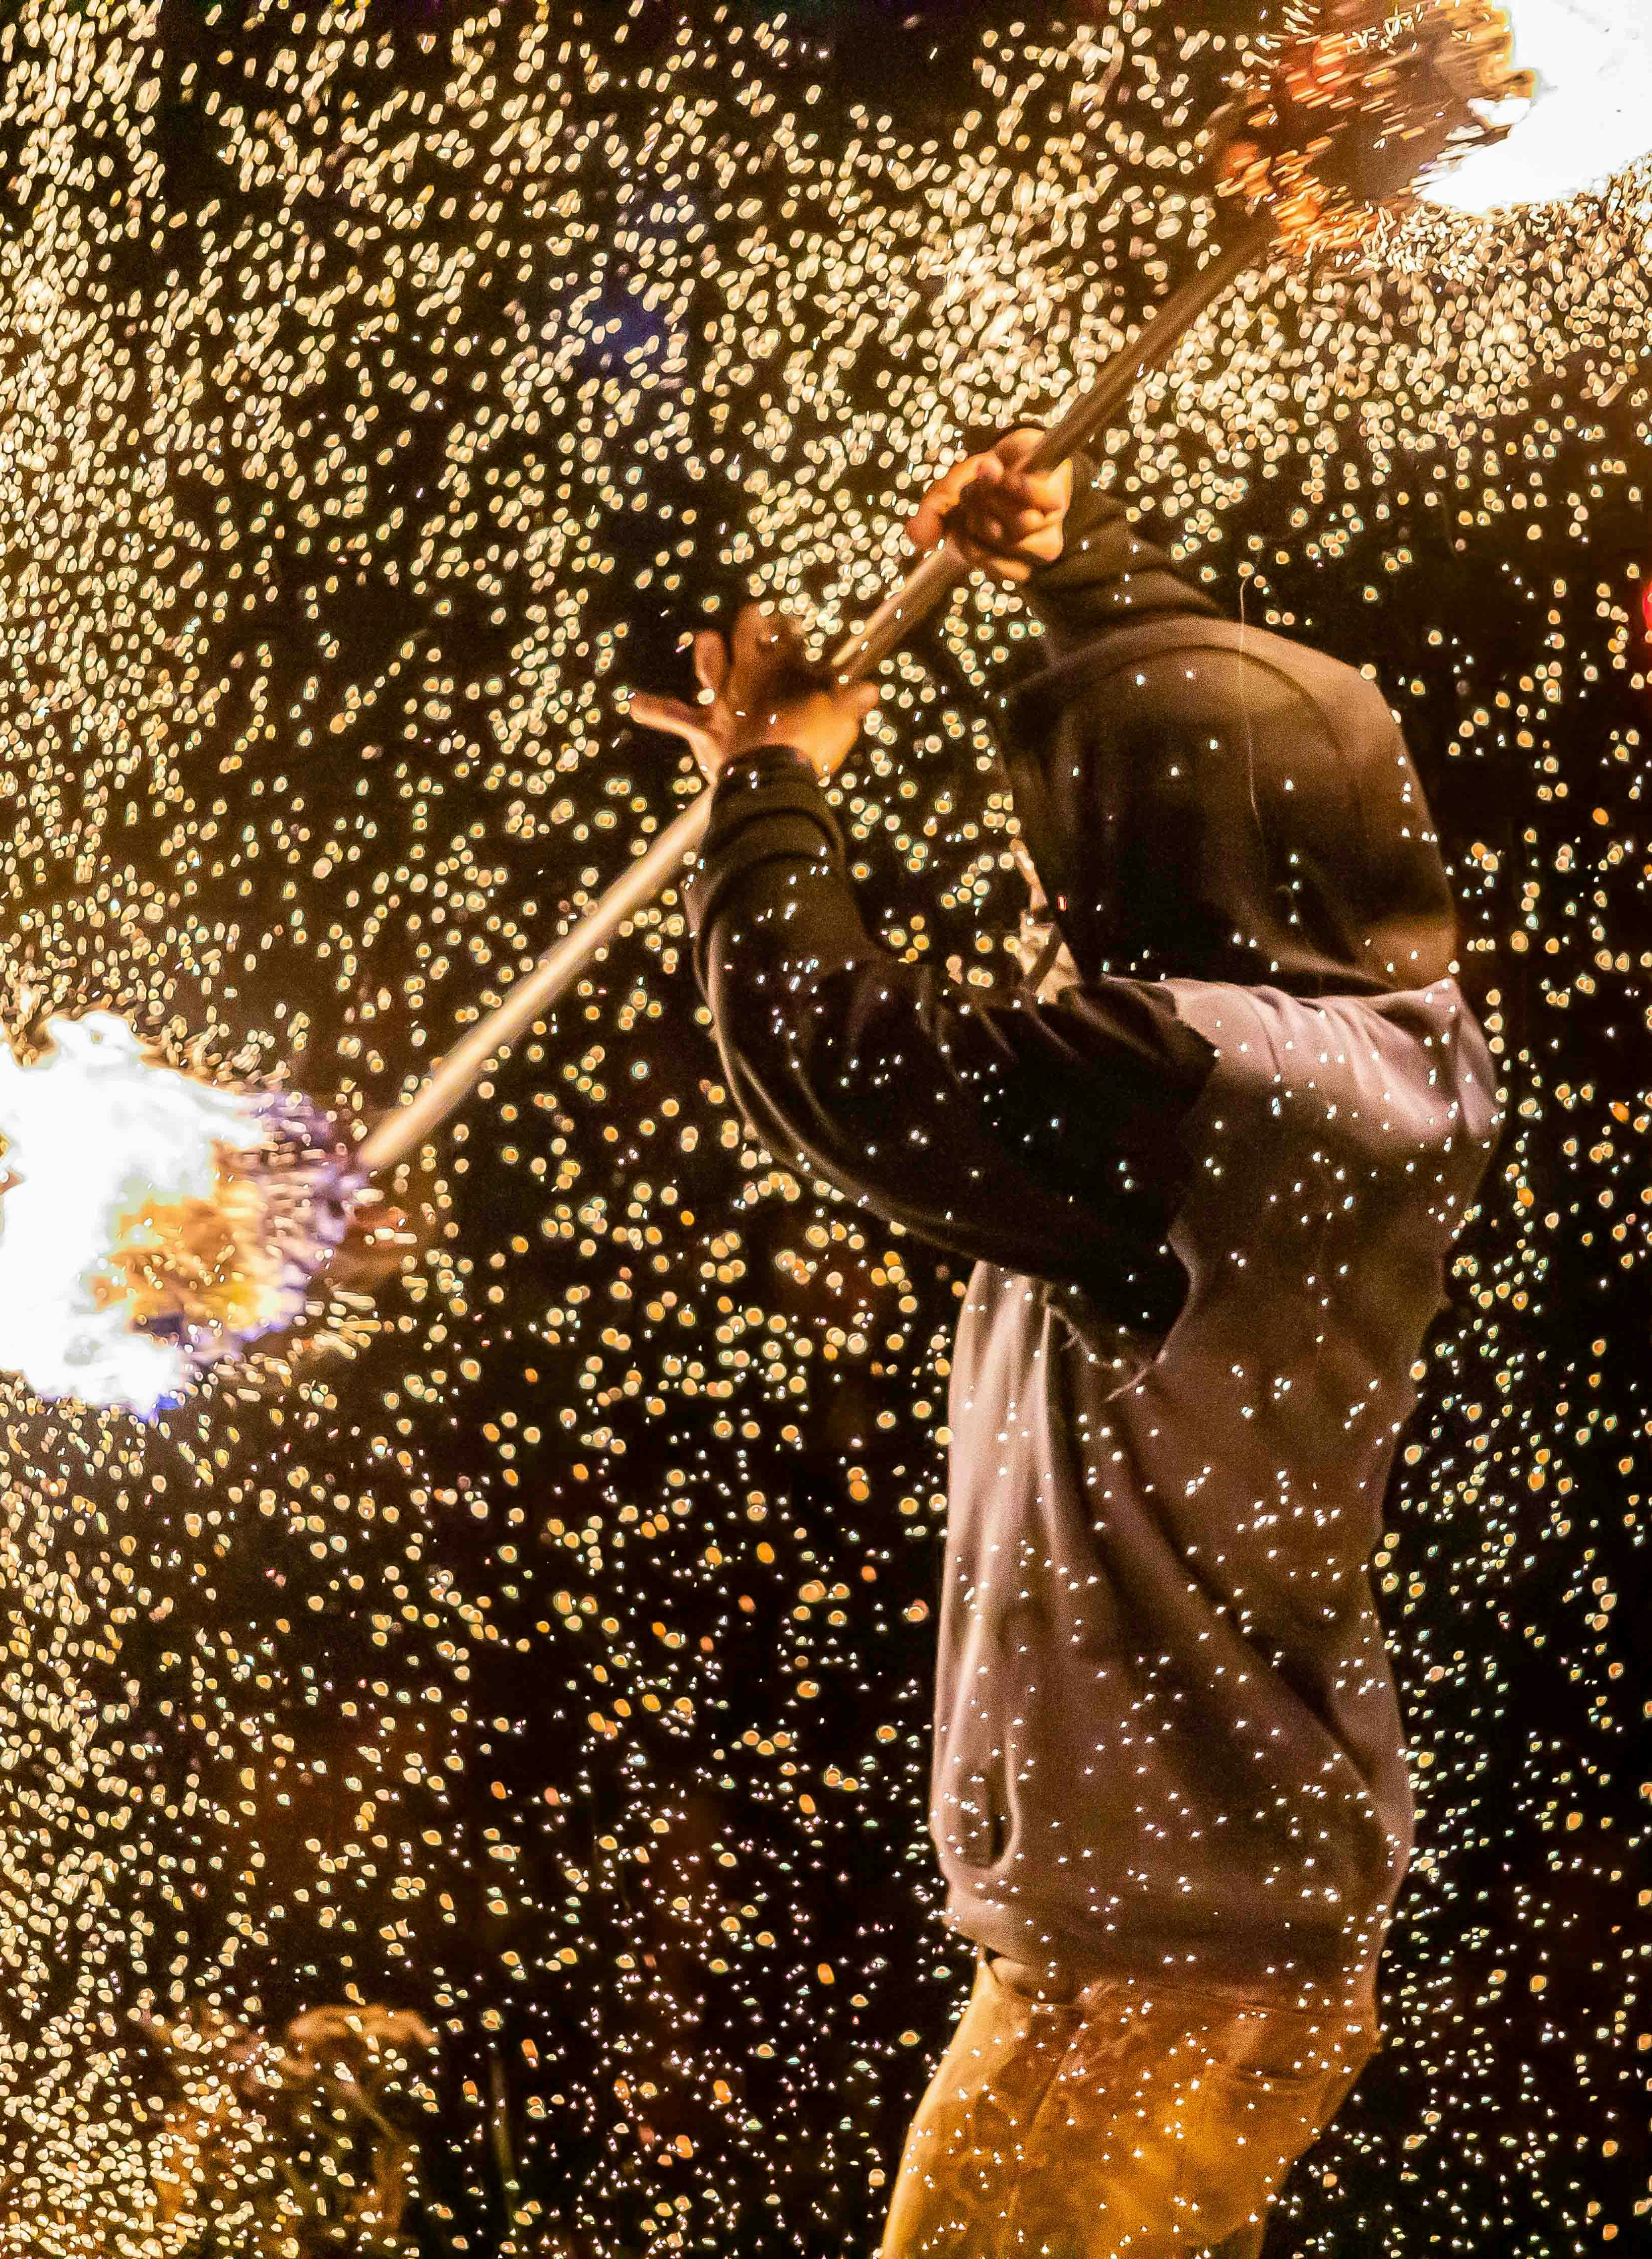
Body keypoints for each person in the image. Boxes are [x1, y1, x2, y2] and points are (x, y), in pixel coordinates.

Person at [627, 432, 1500, 2256]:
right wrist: (1087, 567)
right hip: (1184, 1934)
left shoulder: (1204, 1087)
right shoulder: (1376, 1027)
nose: (1045, 911)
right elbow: (1228, 754)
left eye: (1067, 866)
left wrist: (771, 789)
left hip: (1169, 1958)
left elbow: (839, 1060)